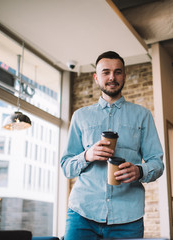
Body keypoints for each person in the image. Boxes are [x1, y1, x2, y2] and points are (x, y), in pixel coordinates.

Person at [61, 51, 164, 239]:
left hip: (128, 218)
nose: (112, 77)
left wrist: (140, 171)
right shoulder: (80, 116)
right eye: (106, 72)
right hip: (82, 214)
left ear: (124, 76)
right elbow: (66, 167)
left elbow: (157, 162)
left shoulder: (142, 115)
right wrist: (87, 155)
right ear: (96, 77)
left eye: (117, 72)